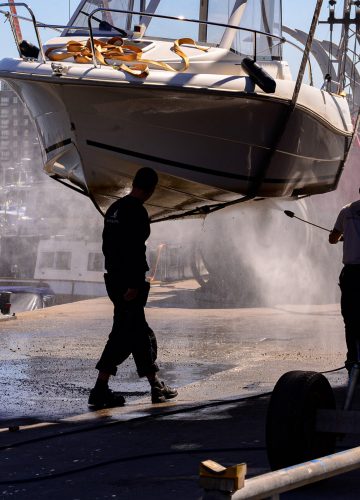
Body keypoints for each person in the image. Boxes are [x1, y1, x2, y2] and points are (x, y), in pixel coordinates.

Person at [88, 167, 178, 407]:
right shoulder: (137, 212)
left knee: (136, 333)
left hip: (115, 280)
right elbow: (135, 251)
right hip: (129, 284)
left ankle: (154, 385)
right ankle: (100, 389)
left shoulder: (114, 209)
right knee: (126, 335)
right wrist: (134, 284)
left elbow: (109, 248)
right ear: (151, 190)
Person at [329, 191, 360, 373]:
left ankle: (353, 360)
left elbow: (332, 239)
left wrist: (342, 237)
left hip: (351, 274)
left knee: (350, 318)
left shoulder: (346, 211)